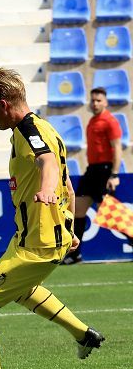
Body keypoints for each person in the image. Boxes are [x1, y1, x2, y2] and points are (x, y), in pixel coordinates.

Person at [0, 67, 104, 369]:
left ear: (5, 103)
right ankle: (84, 334)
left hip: (35, 244)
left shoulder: (29, 132)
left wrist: (47, 191)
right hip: (33, 237)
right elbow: (67, 181)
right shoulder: (45, 128)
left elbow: (49, 165)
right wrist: (68, 225)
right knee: (21, 290)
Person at [62, 86, 124, 264]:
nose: (95, 103)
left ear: (105, 102)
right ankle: (75, 254)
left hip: (104, 171)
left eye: (98, 100)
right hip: (92, 171)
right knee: (78, 211)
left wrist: (114, 174)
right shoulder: (92, 121)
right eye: (93, 100)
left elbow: (117, 148)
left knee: (110, 212)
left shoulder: (110, 121)